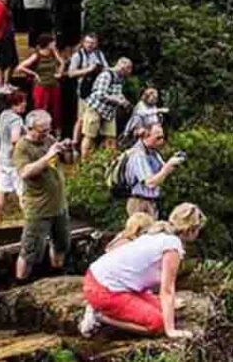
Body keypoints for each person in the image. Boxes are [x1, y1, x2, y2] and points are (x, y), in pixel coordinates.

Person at [80, 203, 206, 339]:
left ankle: (101, 310)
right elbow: (167, 290)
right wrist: (171, 330)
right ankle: (99, 316)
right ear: (191, 229)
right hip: (104, 289)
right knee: (158, 323)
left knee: (163, 309)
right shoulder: (172, 246)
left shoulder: (160, 234)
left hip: (103, 279)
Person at [13, 109, 74, 280]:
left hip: (59, 206)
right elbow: (25, 172)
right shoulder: (22, 147)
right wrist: (48, 156)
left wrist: (68, 150)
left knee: (61, 244)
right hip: (39, 209)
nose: (47, 134)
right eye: (43, 131)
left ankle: (57, 276)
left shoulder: (49, 139)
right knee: (30, 250)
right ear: (30, 128)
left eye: (49, 129)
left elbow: (68, 161)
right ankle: (20, 283)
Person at [124, 123, 185, 219]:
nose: (161, 141)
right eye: (158, 138)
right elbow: (150, 183)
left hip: (152, 201)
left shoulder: (153, 153)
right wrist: (167, 168)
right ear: (146, 136)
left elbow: (161, 173)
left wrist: (172, 163)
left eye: (162, 137)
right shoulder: (138, 155)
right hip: (140, 202)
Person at [81, 57, 133, 158]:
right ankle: (84, 163)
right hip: (95, 108)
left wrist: (124, 101)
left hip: (109, 112)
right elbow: (99, 94)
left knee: (111, 138)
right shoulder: (106, 75)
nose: (129, 72)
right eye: (128, 69)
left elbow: (117, 93)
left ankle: (110, 162)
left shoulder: (121, 78)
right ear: (122, 67)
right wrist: (117, 100)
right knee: (89, 136)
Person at [16, 34, 66, 138]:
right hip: (41, 86)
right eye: (53, 42)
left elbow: (62, 62)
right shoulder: (37, 55)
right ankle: (39, 133)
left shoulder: (53, 52)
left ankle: (56, 135)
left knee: (56, 111)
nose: (54, 44)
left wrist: (60, 73)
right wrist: (34, 74)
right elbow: (20, 67)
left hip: (54, 85)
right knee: (41, 109)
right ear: (47, 44)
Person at [68, 34, 109, 146]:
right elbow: (71, 73)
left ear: (96, 44)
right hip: (84, 91)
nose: (90, 45)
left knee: (96, 118)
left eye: (92, 43)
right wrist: (88, 70)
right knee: (81, 119)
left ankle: (93, 143)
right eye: (88, 42)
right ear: (83, 43)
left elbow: (106, 69)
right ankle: (75, 142)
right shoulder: (78, 55)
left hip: (97, 91)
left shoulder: (99, 55)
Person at [0, 91, 27, 223]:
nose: (26, 104)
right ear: (17, 103)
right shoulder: (16, 120)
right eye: (24, 101)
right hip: (13, 161)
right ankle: (28, 222)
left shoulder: (3, 115)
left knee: (1, 190)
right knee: (23, 193)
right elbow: (15, 139)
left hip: (2, 158)